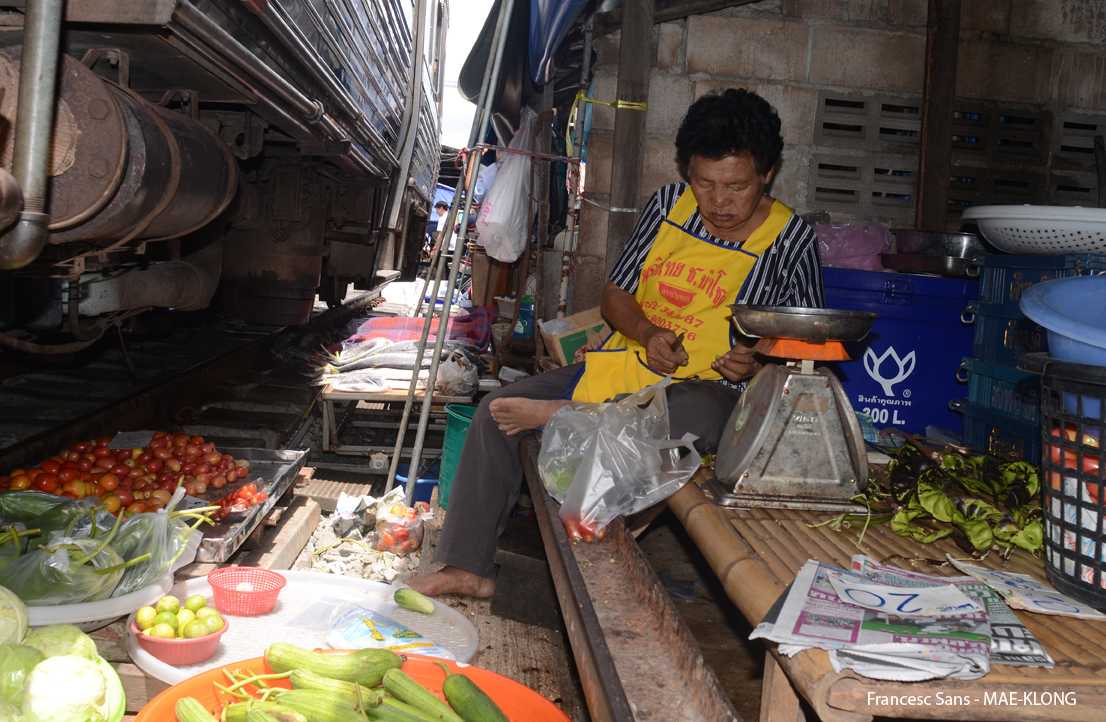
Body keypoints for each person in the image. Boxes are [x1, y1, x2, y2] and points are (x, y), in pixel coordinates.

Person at [408, 88, 825, 599]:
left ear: (767, 174)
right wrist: (647, 333)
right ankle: (467, 566)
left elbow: (806, 350)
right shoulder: (670, 207)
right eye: (704, 184)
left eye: (736, 187)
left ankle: (575, 414)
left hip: (711, 392)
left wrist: (756, 360)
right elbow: (616, 295)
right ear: (687, 174)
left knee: (691, 412)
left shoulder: (792, 241)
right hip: (629, 368)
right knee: (495, 410)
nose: (718, 203)